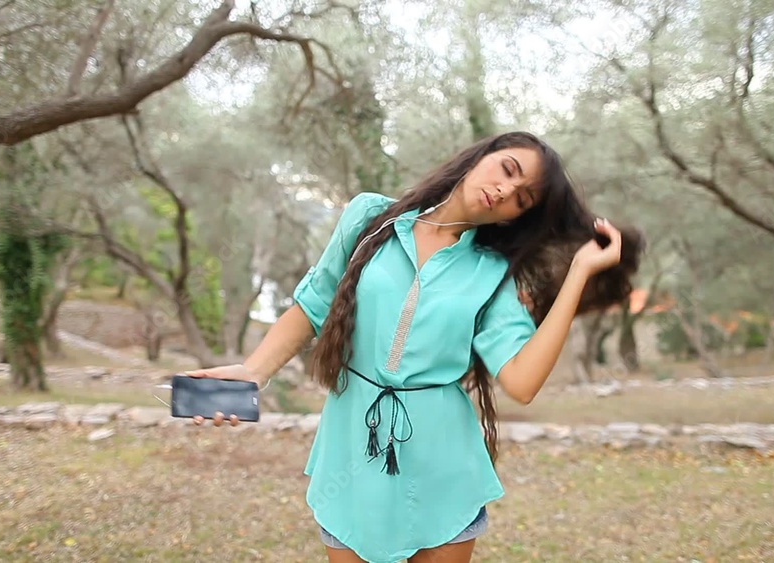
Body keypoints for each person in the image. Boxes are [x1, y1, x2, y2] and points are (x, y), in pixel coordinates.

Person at [187, 131, 642, 563]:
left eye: (522, 199)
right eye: (507, 169)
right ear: (479, 156)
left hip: (443, 468)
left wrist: (579, 273)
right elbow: (313, 306)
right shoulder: (369, 218)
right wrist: (254, 372)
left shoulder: (493, 273)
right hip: (351, 451)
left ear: (515, 218)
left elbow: (522, 382)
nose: (505, 191)